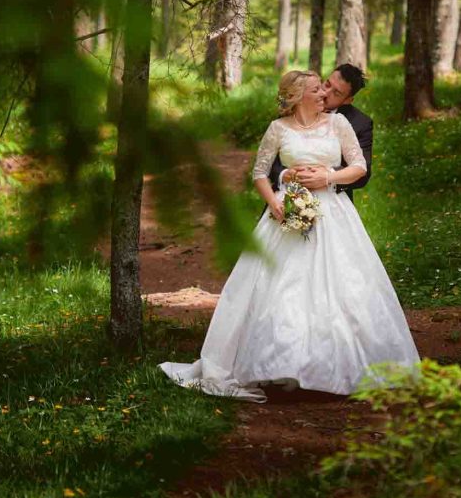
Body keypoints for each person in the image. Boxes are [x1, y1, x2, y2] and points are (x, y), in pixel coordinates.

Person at [159, 70, 419, 402]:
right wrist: (275, 203)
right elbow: (259, 172)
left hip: (334, 214)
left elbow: (359, 167)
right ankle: (278, 364)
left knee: (341, 288)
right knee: (281, 289)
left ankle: (334, 367)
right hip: (287, 210)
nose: (323, 94)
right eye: (317, 89)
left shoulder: (339, 124)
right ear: (298, 97)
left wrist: (327, 176)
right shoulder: (277, 129)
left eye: (326, 90)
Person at [269, 63, 372, 205]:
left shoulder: (360, 123)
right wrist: (284, 175)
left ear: (348, 100)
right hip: (286, 198)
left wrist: (327, 176)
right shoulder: (295, 107)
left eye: (336, 93)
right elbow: (269, 161)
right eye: (327, 84)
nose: (325, 93)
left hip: (333, 202)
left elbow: (363, 175)